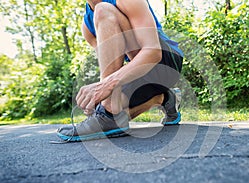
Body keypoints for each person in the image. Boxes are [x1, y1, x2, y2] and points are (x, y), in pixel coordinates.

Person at [57, 0, 183, 141]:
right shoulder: (87, 27)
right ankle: (164, 98)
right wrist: (100, 97)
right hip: (138, 72)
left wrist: (105, 87)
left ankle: (108, 110)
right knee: (112, 111)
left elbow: (153, 52)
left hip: (165, 64)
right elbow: (110, 67)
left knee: (103, 10)